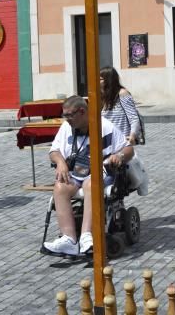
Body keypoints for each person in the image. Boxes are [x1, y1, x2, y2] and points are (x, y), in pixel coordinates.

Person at [42, 95, 134, 256]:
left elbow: (128, 149)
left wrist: (118, 156)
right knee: (60, 187)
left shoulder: (105, 126)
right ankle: (69, 239)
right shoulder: (66, 127)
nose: (67, 119)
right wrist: (60, 162)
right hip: (76, 172)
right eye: (65, 115)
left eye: (69, 115)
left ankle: (86, 236)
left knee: (91, 184)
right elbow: (54, 150)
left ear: (82, 112)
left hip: (102, 171)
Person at [100, 66, 141, 145]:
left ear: (108, 80)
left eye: (100, 79)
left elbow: (133, 118)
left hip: (122, 141)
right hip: (106, 142)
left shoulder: (122, 93)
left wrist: (132, 136)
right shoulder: (101, 96)